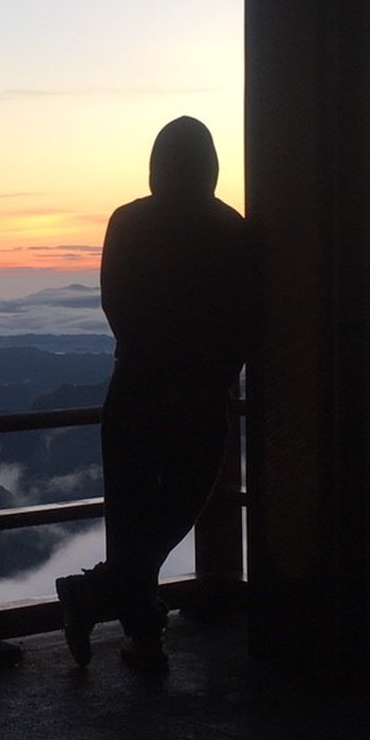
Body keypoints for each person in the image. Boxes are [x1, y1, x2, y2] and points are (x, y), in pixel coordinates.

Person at [57, 116, 253, 671]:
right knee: (181, 503)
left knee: (130, 513)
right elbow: (244, 317)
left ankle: (111, 608)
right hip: (201, 393)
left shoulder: (128, 221)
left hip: (134, 386)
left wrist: (152, 362)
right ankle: (135, 631)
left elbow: (114, 301)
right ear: (211, 166)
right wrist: (212, 375)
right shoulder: (231, 228)